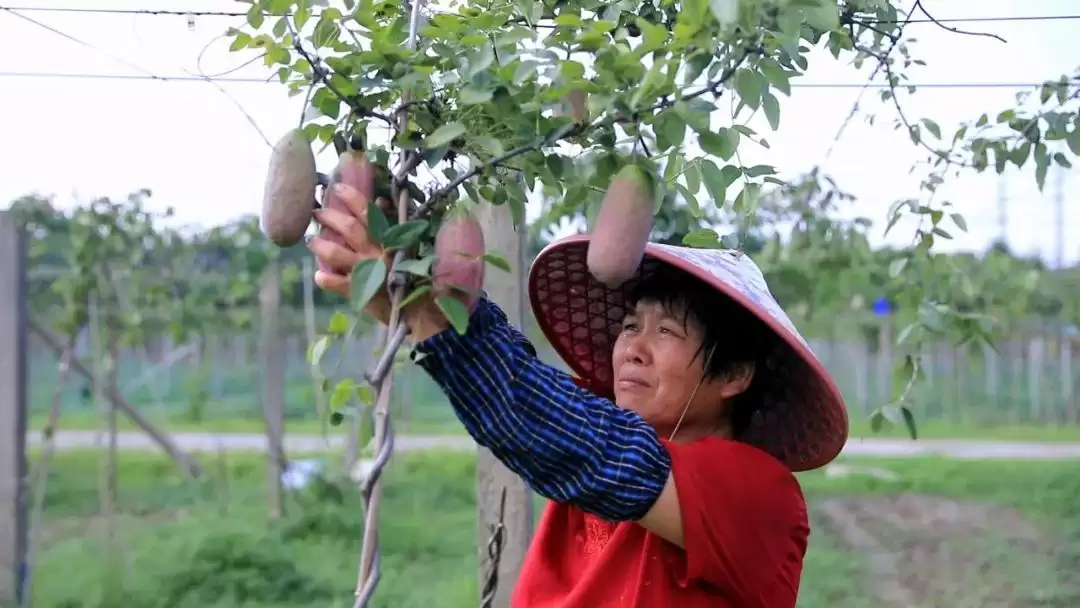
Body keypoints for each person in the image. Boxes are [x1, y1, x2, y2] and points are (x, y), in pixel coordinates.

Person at [307, 179, 849, 607]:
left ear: (734, 375)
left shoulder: (760, 496)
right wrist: (413, 298)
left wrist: (431, 319)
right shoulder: (590, 449)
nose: (633, 348)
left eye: (667, 332)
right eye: (631, 327)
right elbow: (547, 412)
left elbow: (572, 439)